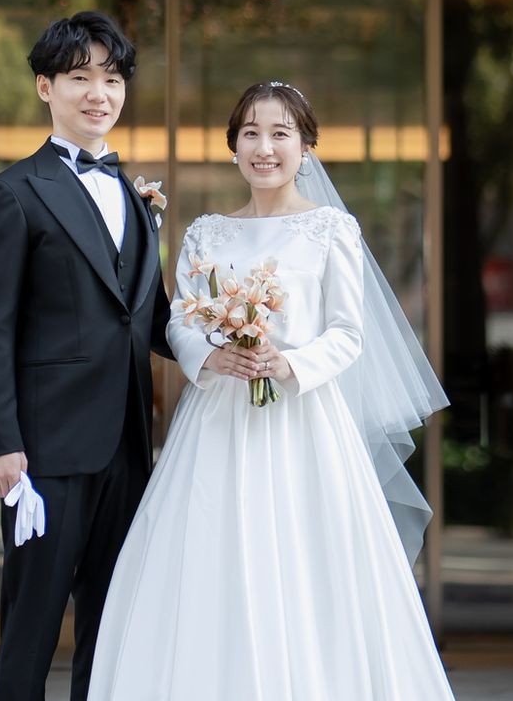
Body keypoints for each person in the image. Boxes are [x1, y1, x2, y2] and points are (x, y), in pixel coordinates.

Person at [88, 81, 455, 701]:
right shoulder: (206, 233)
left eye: (281, 134)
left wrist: (289, 364)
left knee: (305, 562)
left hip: (304, 423)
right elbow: (178, 322)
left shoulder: (331, 230)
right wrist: (211, 356)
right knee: (210, 556)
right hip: (217, 421)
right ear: (233, 146)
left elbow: (348, 333)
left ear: (305, 147)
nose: (265, 148)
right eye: (251, 134)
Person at [0, 10, 173, 701]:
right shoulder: (12, 194)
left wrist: (231, 344)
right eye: (80, 77)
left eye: (112, 79)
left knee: (111, 629)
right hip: (44, 452)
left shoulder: (137, 198)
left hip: (127, 447)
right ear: (45, 87)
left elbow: (150, 320)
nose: (98, 94)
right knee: (32, 624)